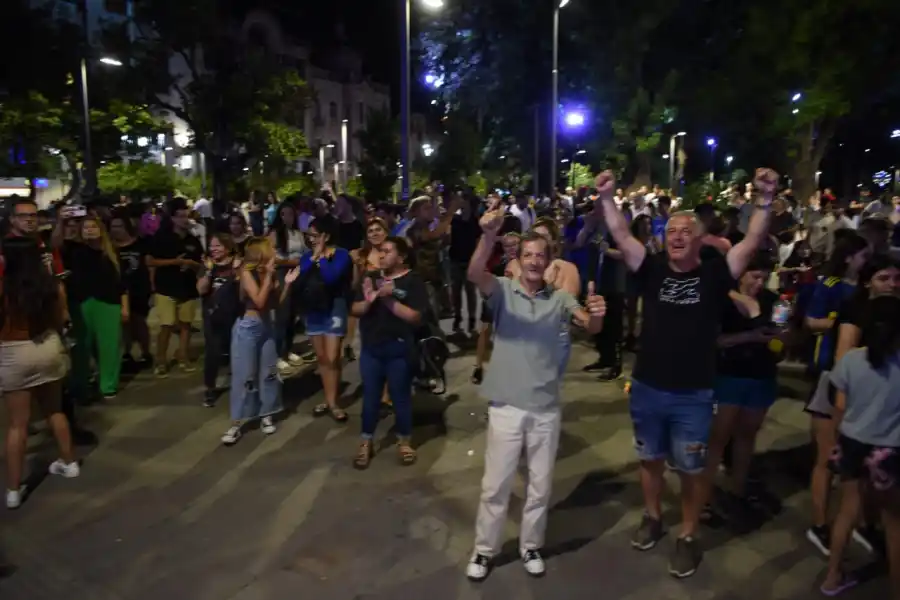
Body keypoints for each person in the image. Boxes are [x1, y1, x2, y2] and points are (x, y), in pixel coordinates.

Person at [593, 168, 777, 578]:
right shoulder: (652, 268)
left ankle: (689, 534)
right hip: (646, 388)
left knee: (693, 469)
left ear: (699, 240)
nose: (677, 236)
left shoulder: (714, 274)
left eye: (686, 231)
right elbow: (622, 236)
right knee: (650, 460)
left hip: (693, 393)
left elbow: (751, 242)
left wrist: (764, 200)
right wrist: (606, 198)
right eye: (672, 229)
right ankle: (654, 516)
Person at [464, 200, 606, 581]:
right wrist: (488, 234)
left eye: (539, 255)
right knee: (495, 485)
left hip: (545, 407)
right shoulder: (504, 290)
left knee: (541, 487)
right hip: (507, 405)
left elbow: (588, 326)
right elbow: (475, 271)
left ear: (549, 261)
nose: (533, 261)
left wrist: (596, 313)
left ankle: (530, 546)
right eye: (527, 254)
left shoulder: (559, 298)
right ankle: (483, 551)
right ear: (519, 258)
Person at [823, 295, 900, 597]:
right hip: (889, 450)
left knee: (846, 511)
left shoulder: (851, 360)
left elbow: (839, 405)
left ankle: (832, 577)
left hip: (852, 442)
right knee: (894, 522)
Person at [1, 237, 79, 509]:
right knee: (54, 409)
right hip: (48, 346)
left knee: (17, 424)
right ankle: (69, 462)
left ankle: (13, 489)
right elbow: (61, 319)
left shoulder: (5, 287)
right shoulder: (51, 284)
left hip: (14, 351)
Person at [704, 255, 782, 513]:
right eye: (755, 276)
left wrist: (784, 336)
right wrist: (750, 335)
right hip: (728, 376)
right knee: (718, 437)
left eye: (764, 277)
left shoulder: (773, 301)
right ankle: (702, 494)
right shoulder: (724, 301)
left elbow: (785, 333)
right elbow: (714, 340)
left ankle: (738, 488)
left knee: (747, 435)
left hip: (761, 376)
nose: (759, 283)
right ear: (740, 275)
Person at [350, 236, 427, 468]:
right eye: (380, 251)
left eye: (387, 251)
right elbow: (354, 309)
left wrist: (387, 299)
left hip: (399, 349)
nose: (381, 255)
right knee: (371, 398)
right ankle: (366, 441)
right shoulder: (370, 278)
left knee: (401, 397)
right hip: (372, 349)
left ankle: (404, 441)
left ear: (401, 257)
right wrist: (368, 301)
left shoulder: (413, 281)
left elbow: (415, 317)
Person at [221, 238, 298, 445]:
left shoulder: (267, 273)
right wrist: (270, 276)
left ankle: (267, 413)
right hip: (248, 327)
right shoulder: (247, 273)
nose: (275, 252)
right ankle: (237, 422)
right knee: (244, 375)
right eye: (271, 249)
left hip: (267, 326)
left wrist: (287, 285)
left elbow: (273, 304)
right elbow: (259, 301)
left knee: (269, 373)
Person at [61, 213, 129, 400]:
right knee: (81, 348)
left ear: (101, 230)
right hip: (81, 303)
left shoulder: (111, 252)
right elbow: (56, 241)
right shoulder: (72, 250)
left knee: (110, 347)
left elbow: (121, 284)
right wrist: (63, 221)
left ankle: (108, 385)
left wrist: (125, 307)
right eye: (85, 227)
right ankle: (80, 387)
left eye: (93, 226)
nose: (89, 230)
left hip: (108, 304)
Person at [298, 216, 353, 423]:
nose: (311, 239)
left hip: (335, 308)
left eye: (315, 235)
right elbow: (299, 279)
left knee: (332, 357)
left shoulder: (341, 255)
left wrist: (320, 257)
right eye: (309, 235)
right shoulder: (306, 257)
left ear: (326, 235)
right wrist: (312, 258)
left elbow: (331, 278)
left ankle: (333, 402)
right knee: (321, 358)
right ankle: (329, 398)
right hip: (314, 311)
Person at [147, 198, 204, 376]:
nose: (183, 220)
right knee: (167, 325)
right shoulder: (161, 237)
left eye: (186, 216)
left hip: (188, 287)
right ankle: (161, 360)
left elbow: (201, 263)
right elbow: (150, 261)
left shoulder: (193, 239)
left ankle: (183, 357)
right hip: (166, 288)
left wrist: (192, 265)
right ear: (171, 218)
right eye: (179, 216)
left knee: (186, 325)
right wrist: (175, 262)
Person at [198, 233, 242, 407]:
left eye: (217, 246)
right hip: (212, 316)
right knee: (212, 354)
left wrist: (238, 270)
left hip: (235, 315)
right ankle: (210, 388)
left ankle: (241, 387)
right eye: (211, 246)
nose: (213, 249)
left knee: (237, 353)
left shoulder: (238, 264)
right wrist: (209, 270)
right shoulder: (209, 266)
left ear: (228, 247)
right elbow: (201, 290)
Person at [109, 213, 152, 369]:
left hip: (139, 288)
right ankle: (126, 354)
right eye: (113, 227)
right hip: (118, 289)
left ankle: (145, 352)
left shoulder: (139, 244)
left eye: (119, 226)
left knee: (139, 322)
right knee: (123, 324)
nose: (116, 230)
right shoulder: (109, 247)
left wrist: (152, 287)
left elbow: (149, 265)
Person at [269, 202, 306, 370]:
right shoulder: (275, 234)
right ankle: (277, 353)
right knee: (282, 315)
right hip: (283, 273)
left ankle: (288, 349)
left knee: (293, 315)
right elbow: (271, 258)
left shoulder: (298, 233)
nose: (287, 218)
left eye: (290, 214)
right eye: (283, 214)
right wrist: (291, 262)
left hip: (298, 274)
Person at [448, 196, 482, 334]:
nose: (462, 203)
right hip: (455, 259)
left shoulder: (476, 221)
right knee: (456, 292)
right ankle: (457, 317)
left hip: (470, 261)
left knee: (470, 292)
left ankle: (472, 320)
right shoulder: (454, 220)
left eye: (464, 200)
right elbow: (447, 237)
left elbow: (479, 241)